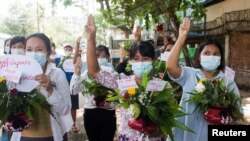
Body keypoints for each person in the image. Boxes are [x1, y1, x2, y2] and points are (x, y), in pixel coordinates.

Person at [85, 15, 164, 141]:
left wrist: (158, 129)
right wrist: (90, 39)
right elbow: (94, 72)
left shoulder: (161, 86)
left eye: (146, 59)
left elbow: (167, 117)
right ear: (130, 61)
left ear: (153, 61)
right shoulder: (122, 82)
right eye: (136, 59)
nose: (141, 63)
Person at [166, 18, 241, 141]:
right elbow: (170, 66)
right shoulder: (190, 74)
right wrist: (181, 38)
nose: (211, 56)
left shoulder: (228, 82)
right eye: (206, 53)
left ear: (221, 59)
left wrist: (227, 119)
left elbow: (237, 113)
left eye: (216, 54)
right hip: (184, 136)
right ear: (199, 57)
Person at [19, 33, 73, 141]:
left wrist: (50, 90)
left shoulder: (57, 74)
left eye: (39, 50)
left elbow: (65, 109)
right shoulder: (17, 74)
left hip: (50, 135)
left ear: (48, 52)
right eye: (29, 49)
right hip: (22, 135)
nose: (33, 53)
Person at [71, 44, 115, 141]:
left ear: (108, 57)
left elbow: (119, 95)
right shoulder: (86, 73)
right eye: (97, 56)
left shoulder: (112, 73)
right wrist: (77, 74)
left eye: (104, 56)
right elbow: (74, 91)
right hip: (91, 112)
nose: (100, 59)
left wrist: (110, 104)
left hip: (108, 112)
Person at [55, 45, 80, 133]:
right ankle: (61, 124)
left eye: (70, 49)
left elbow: (78, 70)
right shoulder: (59, 59)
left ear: (72, 50)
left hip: (72, 86)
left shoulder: (75, 60)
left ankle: (73, 125)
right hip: (61, 86)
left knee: (73, 106)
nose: (68, 50)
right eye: (66, 49)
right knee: (62, 105)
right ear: (63, 50)